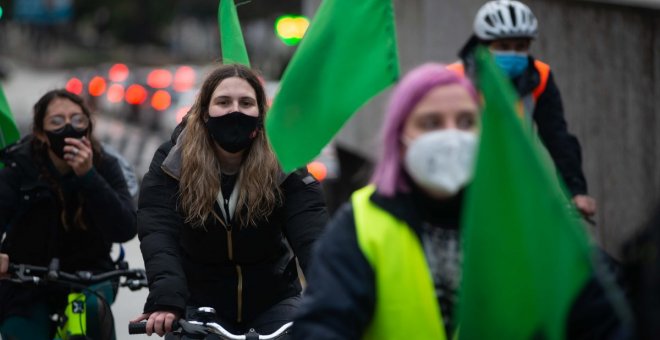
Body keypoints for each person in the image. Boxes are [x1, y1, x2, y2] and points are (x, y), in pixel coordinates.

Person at [292, 63, 627, 339]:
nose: (451, 136)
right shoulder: (363, 223)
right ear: (401, 138)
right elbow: (323, 324)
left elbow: (601, 308)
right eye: (431, 123)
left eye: (467, 122)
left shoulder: (525, 217)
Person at [131, 64, 328, 337]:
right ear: (204, 113)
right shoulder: (172, 162)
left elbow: (312, 233)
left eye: (246, 103)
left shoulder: (285, 161)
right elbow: (158, 230)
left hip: (274, 301)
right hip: (199, 303)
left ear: (260, 115)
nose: (235, 110)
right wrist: (166, 301)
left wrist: (333, 296)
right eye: (223, 102)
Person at [0, 89, 137, 339]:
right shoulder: (18, 166)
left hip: (91, 278)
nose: (67, 128)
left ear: (88, 127)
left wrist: (89, 177)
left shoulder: (105, 164)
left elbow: (125, 227)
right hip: (26, 282)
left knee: (91, 316)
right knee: (18, 330)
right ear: (41, 133)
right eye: (56, 121)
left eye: (77, 120)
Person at [448, 0, 597, 218]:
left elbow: (557, 137)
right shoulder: (452, 79)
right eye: (503, 47)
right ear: (482, 45)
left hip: (513, 187)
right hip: (463, 184)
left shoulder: (540, 78)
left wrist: (576, 191)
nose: (513, 54)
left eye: (521, 46)